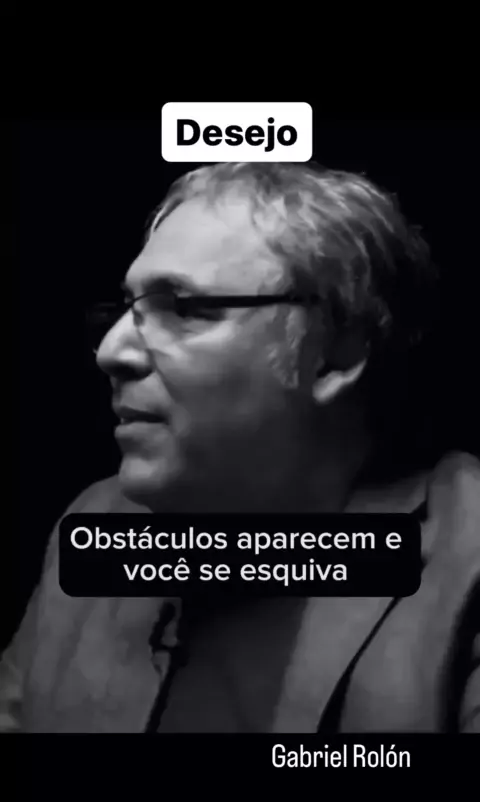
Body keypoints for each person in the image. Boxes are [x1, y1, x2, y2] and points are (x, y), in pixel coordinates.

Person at [2, 162, 479, 733]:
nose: (111, 352)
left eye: (182, 308)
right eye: (127, 309)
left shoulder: (468, 554)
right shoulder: (95, 523)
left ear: (334, 353)